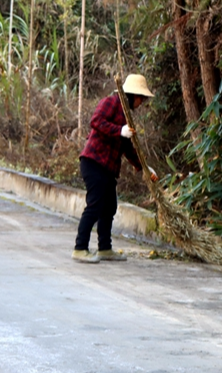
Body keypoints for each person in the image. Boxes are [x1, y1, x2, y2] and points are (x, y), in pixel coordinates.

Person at [72, 74, 157, 264]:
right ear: (132, 95)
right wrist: (118, 130)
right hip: (94, 162)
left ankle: (104, 248)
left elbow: (127, 148)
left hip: (108, 168)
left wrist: (144, 168)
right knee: (94, 206)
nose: (142, 102)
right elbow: (96, 121)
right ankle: (80, 248)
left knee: (109, 207)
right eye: (141, 98)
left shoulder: (127, 117)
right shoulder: (111, 102)